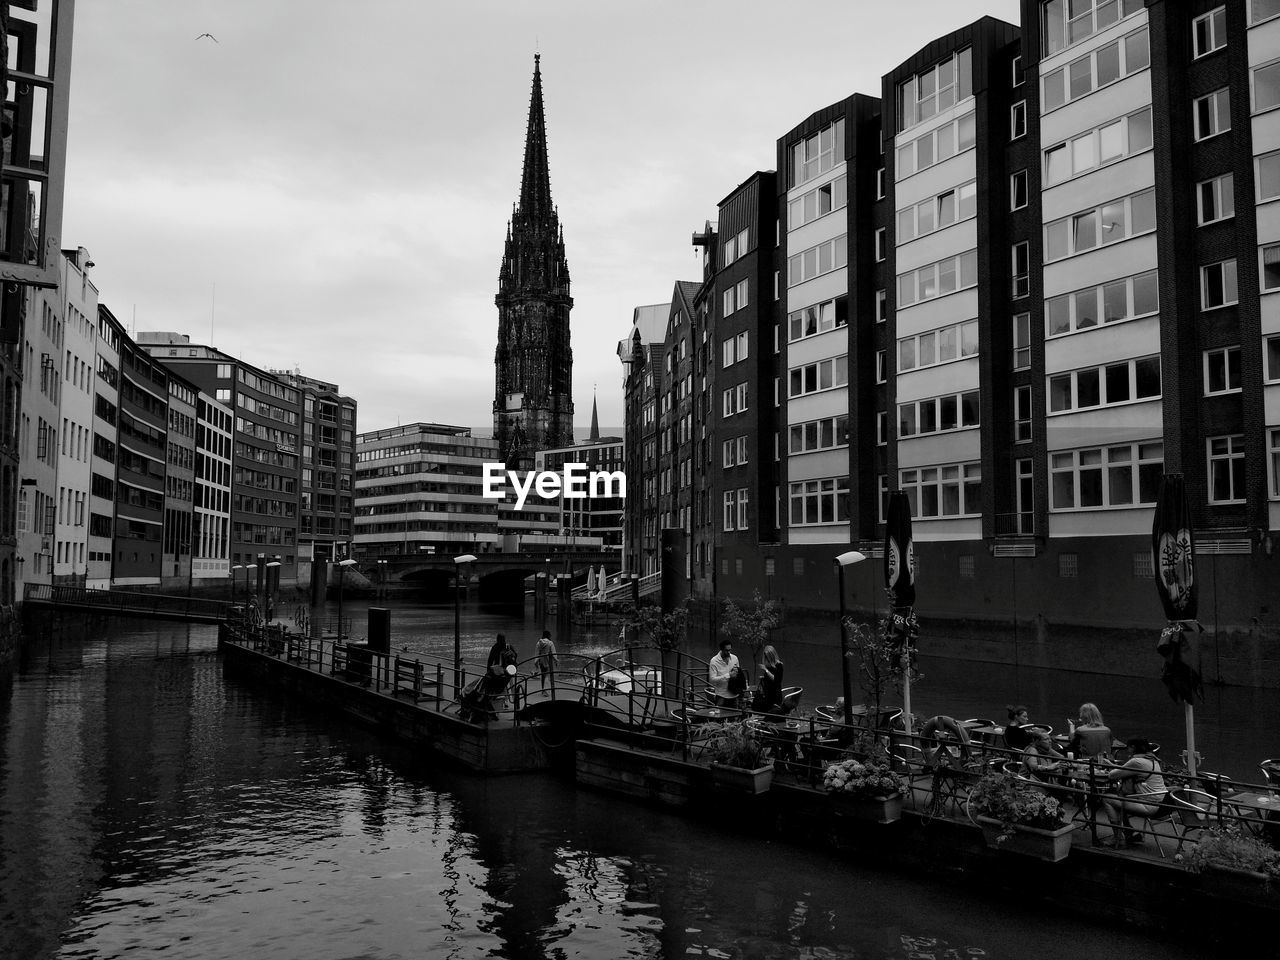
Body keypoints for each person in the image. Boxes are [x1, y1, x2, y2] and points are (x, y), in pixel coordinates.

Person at [1100, 737, 1168, 846]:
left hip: (1149, 806)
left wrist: (1108, 767)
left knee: (1108, 798)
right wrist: (1112, 765)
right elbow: (1126, 770)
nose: (1127, 750)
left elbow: (1112, 775)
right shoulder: (1152, 759)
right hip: (1162, 804)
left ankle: (1118, 838)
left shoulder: (1136, 761)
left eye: (1128, 747)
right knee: (1122, 796)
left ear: (1133, 747)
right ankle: (1128, 832)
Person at [753, 645, 785, 714]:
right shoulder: (768, 665)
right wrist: (763, 677)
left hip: (774, 693)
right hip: (767, 692)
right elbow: (769, 677)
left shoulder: (779, 665)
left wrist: (766, 670)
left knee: (772, 711)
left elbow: (776, 680)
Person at [708, 639, 741, 708]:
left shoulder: (735, 658)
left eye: (730, 650)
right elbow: (712, 680)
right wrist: (728, 675)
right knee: (720, 717)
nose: (729, 652)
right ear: (721, 650)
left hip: (734, 694)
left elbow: (738, 674)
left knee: (734, 717)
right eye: (726, 650)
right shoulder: (714, 661)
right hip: (721, 695)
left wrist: (737, 674)